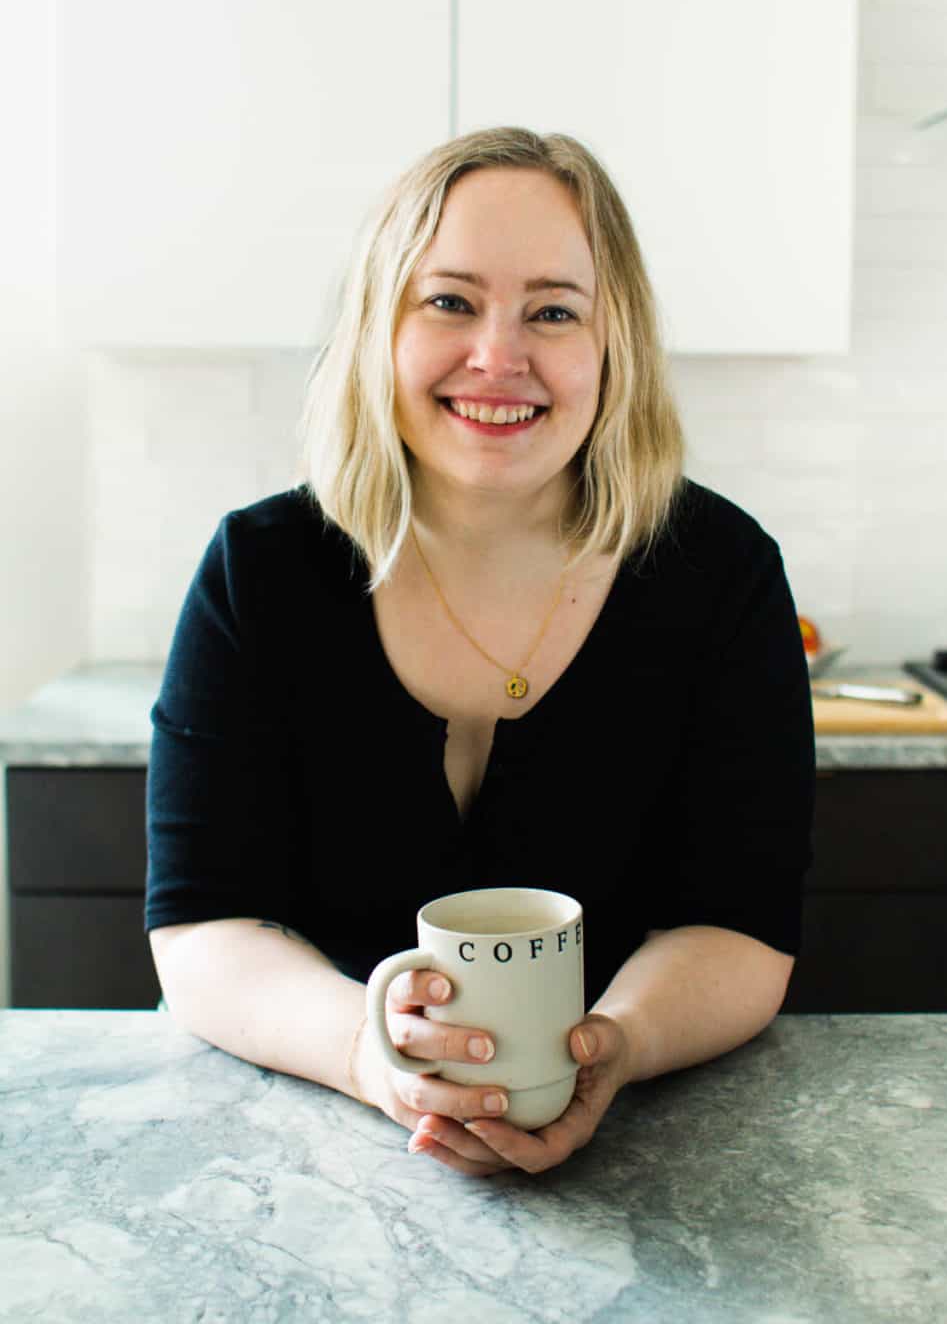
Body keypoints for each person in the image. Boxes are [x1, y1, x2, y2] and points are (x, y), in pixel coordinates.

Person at [146, 125, 815, 1179]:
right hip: (301, 1157)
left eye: (553, 311)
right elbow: (203, 931)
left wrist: (614, 1051)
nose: (498, 357)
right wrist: (372, 1060)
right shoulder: (261, 569)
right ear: (382, 326)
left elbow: (739, 930)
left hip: (656, 1164)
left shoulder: (719, 572)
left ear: (614, 344)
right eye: (449, 301)